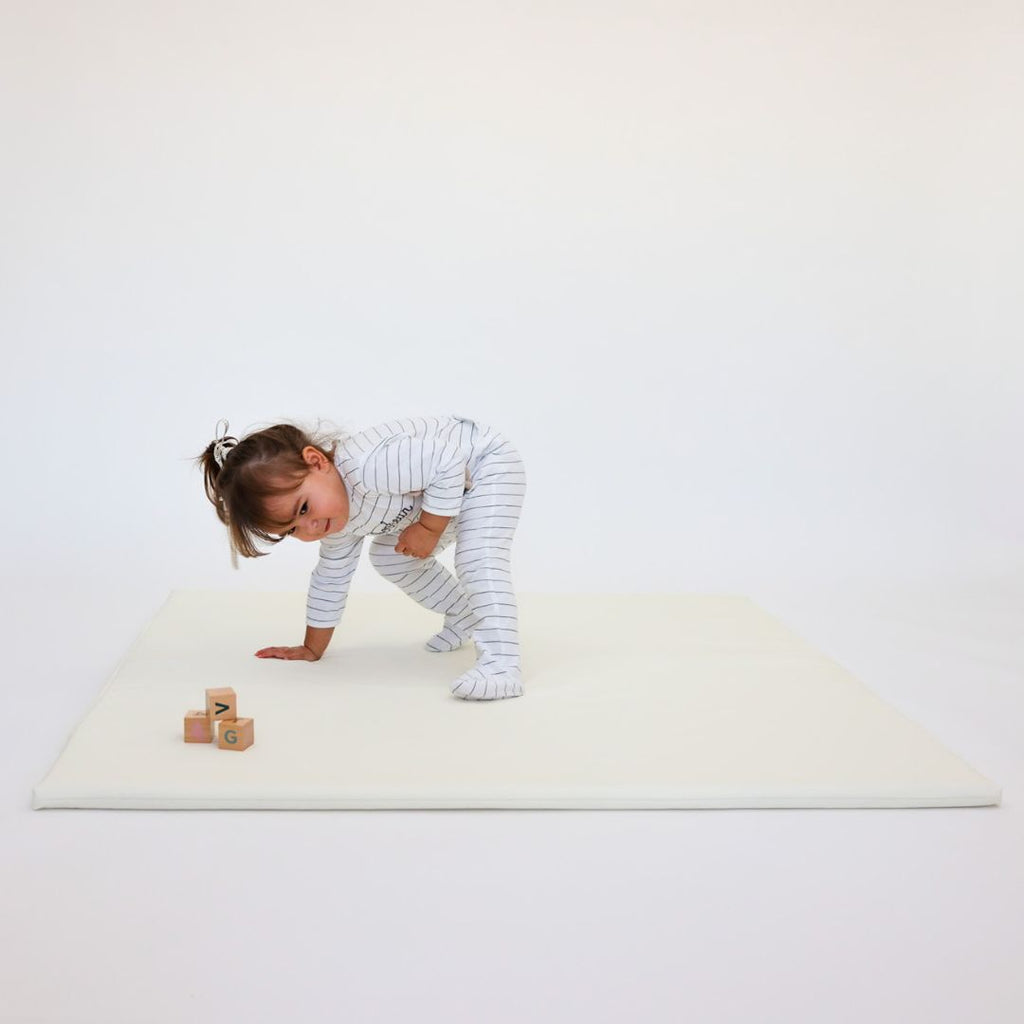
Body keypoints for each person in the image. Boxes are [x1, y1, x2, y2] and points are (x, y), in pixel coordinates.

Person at [197, 414, 527, 700]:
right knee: (390, 556)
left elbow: (447, 460)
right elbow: (331, 578)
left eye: (304, 508)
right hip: (446, 492)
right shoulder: (336, 521)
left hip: (485, 465)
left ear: (316, 461)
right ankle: (464, 614)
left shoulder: (369, 467)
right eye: (292, 529)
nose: (311, 527)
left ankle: (501, 667)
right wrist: (312, 648)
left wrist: (429, 527)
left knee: (477, 559)